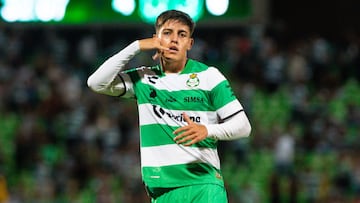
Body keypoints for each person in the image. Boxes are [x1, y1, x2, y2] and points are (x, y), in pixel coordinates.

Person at [87, 9, 251, 203]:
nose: (174, 40)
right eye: (167, 33)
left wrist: (207, 130)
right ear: (156, 39)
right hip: (162, 191)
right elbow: (96, 82)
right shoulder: (143, 78)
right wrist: (136, 46)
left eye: (182, 34)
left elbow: (243, 126)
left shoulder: (209, 76)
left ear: (190, 43)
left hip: (202, 186)